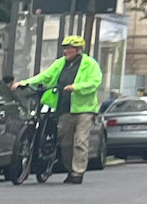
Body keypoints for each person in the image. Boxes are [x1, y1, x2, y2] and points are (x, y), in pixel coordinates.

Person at [21, 33, 103, 184]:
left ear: (78, 50)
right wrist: (25, 82)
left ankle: (78, 172)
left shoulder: (90, 64)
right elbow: (45, 75)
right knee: (65, 142)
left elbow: (95, 82)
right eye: (65, 48)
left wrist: (76, 87)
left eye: (70, 48)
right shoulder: (60, 63)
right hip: (64, 107)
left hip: (84, 109)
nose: (66, 51)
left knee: (80, 141)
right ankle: (70, 169)